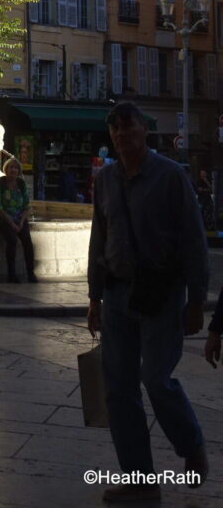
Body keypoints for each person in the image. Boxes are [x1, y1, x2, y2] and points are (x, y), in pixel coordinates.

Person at [87, 101, 209, 501]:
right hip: (118, 293)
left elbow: (194, 241)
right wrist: (94, 297)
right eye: (116, 129)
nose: (122, 134)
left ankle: (190, 446)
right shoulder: (105, 180)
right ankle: (139, 482)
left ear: (144, 130)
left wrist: (196, 300)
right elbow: (98, 240)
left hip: (161, 292)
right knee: (119, 390)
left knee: (156, 379)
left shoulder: (171, 177)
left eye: (128, 126)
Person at [0, 157, 36, 283]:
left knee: (27, 241)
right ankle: (11, 274)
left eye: (16, 168)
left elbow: (27, 205)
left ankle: (30, 273)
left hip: (19, 218)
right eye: (11, 167)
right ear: (6, 169)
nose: (13, 170)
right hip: (3, 218)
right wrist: (11, 223)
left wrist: (21, 222)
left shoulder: (21, 184)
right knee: (12, 240)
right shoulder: (0, 183)